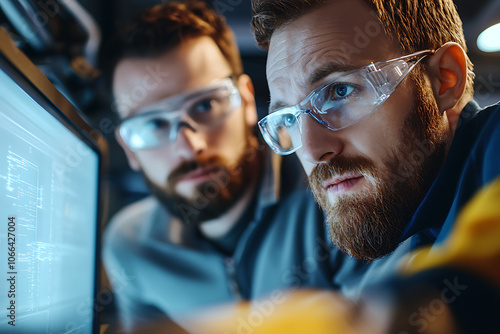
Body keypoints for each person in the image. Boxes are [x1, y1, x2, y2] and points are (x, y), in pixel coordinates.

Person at [250, 0, 500, 332]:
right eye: (289, 119)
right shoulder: (417, 227)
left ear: (444, 78)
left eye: (339, 91)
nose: (312, 149)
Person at [102, 2, 349, 332]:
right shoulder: (130, 246)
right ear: (129, 149)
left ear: (247, 101)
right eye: (153, 125)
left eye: (205, 105)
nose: (190, 146)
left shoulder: (335, 191)